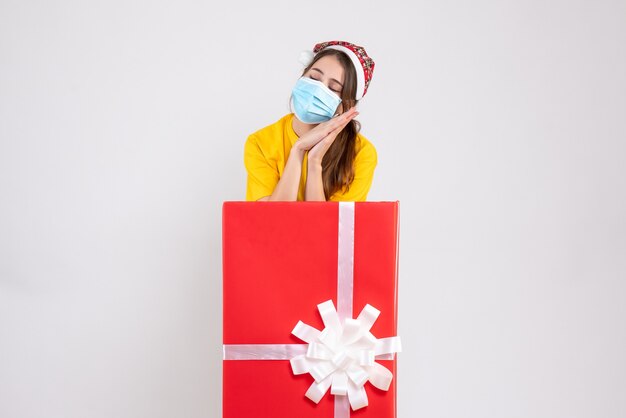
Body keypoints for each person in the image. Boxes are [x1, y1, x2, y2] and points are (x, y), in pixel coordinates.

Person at [244, 40, 378, 202]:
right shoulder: (260, 142)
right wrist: (298, 150)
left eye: (333, 88)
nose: (317, 89)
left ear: (346, 105)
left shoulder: (361, 154)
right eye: (314, 77)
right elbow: (271, 222)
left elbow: (329, 227)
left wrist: (314, 162)